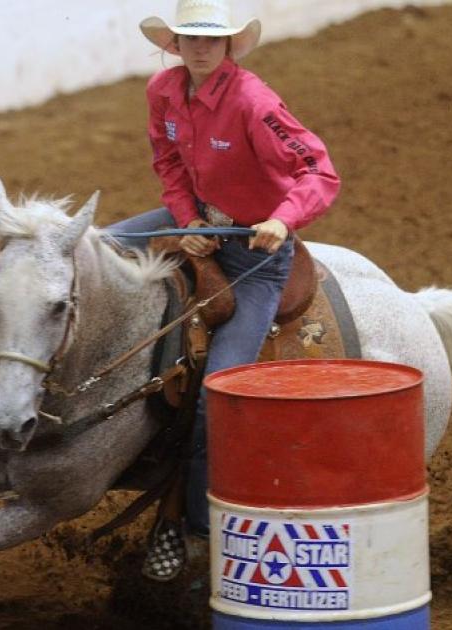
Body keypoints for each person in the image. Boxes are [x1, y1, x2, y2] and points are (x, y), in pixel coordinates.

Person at [107, 0, 340, 581]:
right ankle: (3, 320)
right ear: (175, 43)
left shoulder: (254, 101)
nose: (201, 48)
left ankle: (184, 526)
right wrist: (186, 223)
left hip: (254, 252)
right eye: (190, 38)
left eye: (212, 39)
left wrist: (283, 220)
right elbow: (168, 164)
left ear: (231, 45)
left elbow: (318, 170)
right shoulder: (163, 91)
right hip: (197, 224)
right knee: (93, 245)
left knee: (220, 393)